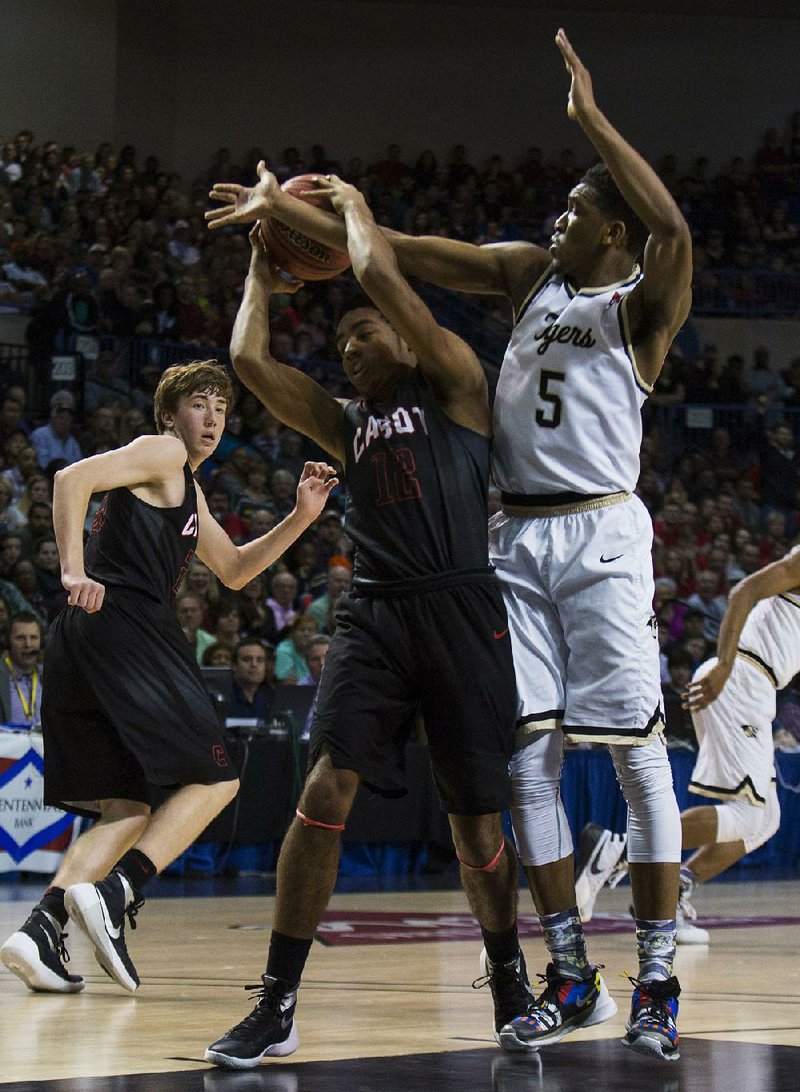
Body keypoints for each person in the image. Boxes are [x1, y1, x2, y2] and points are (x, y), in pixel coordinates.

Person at [207, 29, 690, 1063]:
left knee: (635, 758)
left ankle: (657, 973)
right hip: (508, 536)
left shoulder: (638, 301)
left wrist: (590, 119)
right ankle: (567, 969)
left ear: (613, 232)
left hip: (598, 523)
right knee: (525, 767)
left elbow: (672, 228)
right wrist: (286, 216)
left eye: (574, 210)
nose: (554, 220)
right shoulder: (524, 280)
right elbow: (387, 255)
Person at [204, 174, 521, 1071]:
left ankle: (505, 977)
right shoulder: (349, 425)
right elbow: (253, 369)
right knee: (321, 794)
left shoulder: (457, 382)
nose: (348, 344)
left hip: (461, 605)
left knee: (477, 828)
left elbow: (384, 280)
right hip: (376, 613)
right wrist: (260, 282)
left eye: (361, 330)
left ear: (401, 332)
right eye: (338, 337)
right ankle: (278, 1001)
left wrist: (343, 212)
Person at [0, 360, 336, 996]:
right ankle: (121, 890)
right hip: (124, 621)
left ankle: (41, 930)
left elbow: (235, 570)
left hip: (84, 636)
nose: (211, 419)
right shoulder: (159, 452)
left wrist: (300, 518)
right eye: (198, 405)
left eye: (220, 409)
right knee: (217, 777)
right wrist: (72, 569)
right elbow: (70, 478)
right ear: (168, 416)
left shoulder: (185, 488)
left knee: (126, 807)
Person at [575, 547, 798, 945]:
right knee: (749, 814)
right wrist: (726, 665)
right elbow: (743, 592)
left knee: (766, 820)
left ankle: (672, 891)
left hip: (758, 685)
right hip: (740, 675)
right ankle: (617, 850)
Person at [0, 610, 43, 727]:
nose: (28, 644)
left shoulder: (51, 676)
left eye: (33, 637)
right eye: (20, 638)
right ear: (8, 642)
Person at [228, 637, 273, 721]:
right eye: (247, 659)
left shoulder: (270, 697)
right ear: (234, 665)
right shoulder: (223, 699)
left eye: (260, 660)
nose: (254, 664)